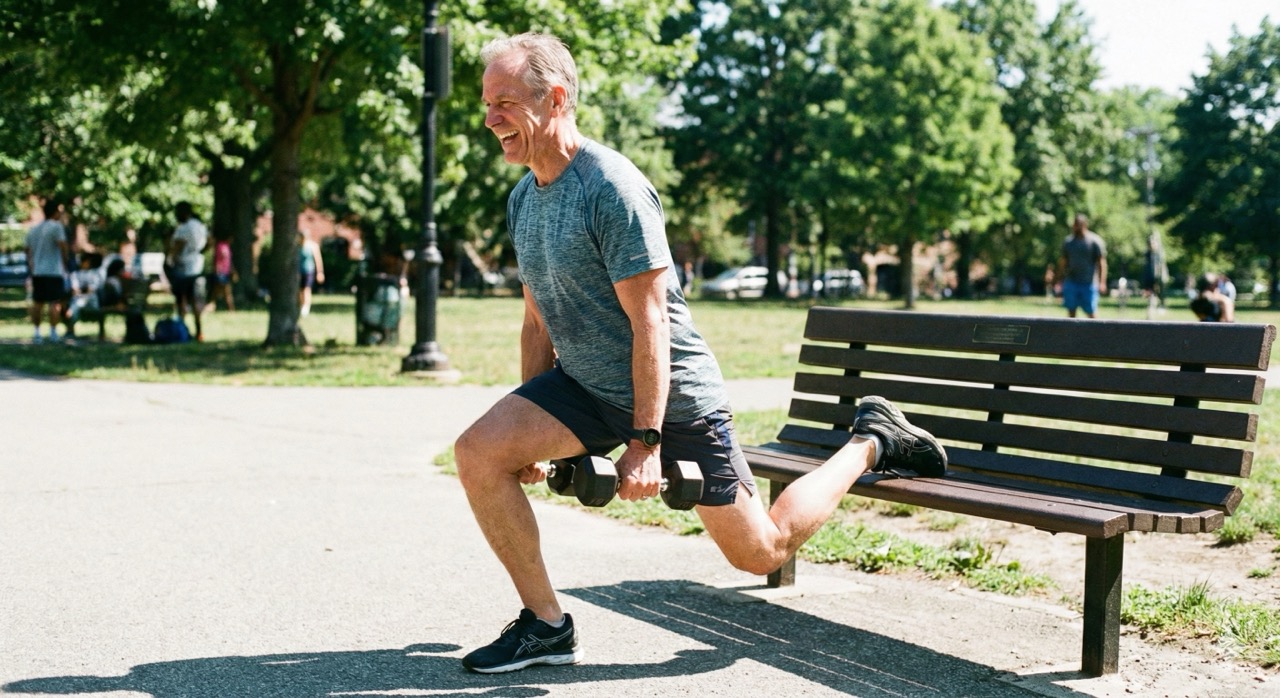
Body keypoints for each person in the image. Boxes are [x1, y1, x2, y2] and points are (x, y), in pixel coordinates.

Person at [454, 32, 948, 675]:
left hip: (673, 398)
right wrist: (526, 425)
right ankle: (547, 625)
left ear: (553, 99)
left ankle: (870, 443)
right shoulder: (525, 198)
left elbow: (650, 322)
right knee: (479, 451)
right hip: (586, 388)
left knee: (761, 551)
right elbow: (536, 318)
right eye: (486, 103)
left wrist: (646, 440)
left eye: (504, 102)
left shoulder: (612, 188)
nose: (490, 118)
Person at [25, 199, 70, 344]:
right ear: (55, 211)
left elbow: (27, 249)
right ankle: (53, 332)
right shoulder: (56, 227)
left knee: (38, 302)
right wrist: (65, 265)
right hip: (54, 271)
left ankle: (37, 333)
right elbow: (63, 247)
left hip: (38, 271)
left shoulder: (34, 229)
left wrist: (32, 265)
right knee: (55, 302)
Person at [167, 201, 207, 341]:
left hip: (184, 269)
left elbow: (178, 246)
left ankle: (181, 331)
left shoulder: (183, 228)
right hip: (197, 266)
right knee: (196, 301)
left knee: (181, 301)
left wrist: (171, 259)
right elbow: (208, 242)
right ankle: (199, 331)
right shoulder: (200, 226)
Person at [1055, 213, 1107, 318]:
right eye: (1074, 224)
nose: (1075, 227)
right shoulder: (1068, 242)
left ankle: (1095, 334)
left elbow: (1101, 263)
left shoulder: (1094, 241)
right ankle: (1072, 334)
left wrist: (1102, 282)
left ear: (1084, 225)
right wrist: (1059, 279)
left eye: (1077, 224)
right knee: (1071, 311)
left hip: (1089, 283)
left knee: (1091, 312)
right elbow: (1063, 262)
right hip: (1071, 281)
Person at [298, 229, 325, 317]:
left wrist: (320, 272)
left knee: (306, 289)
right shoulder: (297, 246)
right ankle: (301, 305)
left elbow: (318, 260)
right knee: (299, 290)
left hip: (309, 271)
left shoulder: (313, 246)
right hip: (298, 271)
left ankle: (306, 307)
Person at [207, 233, 235, 312]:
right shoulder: (221, 246)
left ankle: (212, 306)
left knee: (217, 293)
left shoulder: (227, 246)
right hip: (221, 273)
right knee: (226, 292)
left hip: (225, 272)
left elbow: (229, 261)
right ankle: (231, 310)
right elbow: (217, 260)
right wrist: (217, 271)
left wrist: (232, 271)